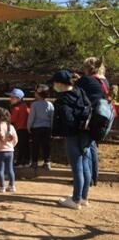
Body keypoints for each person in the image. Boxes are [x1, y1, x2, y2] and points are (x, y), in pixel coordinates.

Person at [51, 70, 92, 210]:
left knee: (77, 167)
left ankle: (75, 200)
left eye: (55, 83)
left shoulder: (63, 100)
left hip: (73, 135)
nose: (54, 86)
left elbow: (68, 120)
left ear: (60, 84)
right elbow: (88, 107)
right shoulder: (79, 91)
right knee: (85, 164)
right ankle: (83, 197)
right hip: (86, 134)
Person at [76, 57, 111, 186]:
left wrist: (78, 80)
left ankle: (87, 180)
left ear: (88, 68)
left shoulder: (87, 80)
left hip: (89, 118)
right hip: (101, 117)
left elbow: (77, 92)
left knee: (85, 150)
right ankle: (93, 177)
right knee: (92, 147)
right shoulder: (105, 81)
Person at [0, 108, 18, 193]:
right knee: (10, 169)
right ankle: (12, 186)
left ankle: (1, 187)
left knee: (0, 170)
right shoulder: (11, 127)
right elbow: (16, 139)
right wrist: (11, 146)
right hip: (10, 151)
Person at [27, 84, 54, 172]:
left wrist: (29, 126)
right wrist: (51, 127)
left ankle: (34, 162)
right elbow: (52, 117)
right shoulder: (50, 104)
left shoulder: (34, 104)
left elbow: (31, 117)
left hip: (36, 128)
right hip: (47, 128)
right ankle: (47, 162)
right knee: (46, 145)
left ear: (38, 94)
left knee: (35, 145)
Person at [7, 88, 30, 167]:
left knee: (20, 146)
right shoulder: (26, 107)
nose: (10, 99)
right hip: (26, 129)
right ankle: (26, 160)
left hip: (18, 129)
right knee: (25, 145)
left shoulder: (16, 108)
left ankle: (20, 161)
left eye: (12, 97)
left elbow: (12, 120)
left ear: (18, 98)